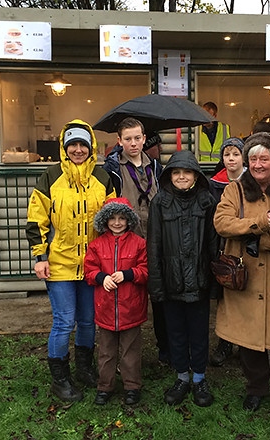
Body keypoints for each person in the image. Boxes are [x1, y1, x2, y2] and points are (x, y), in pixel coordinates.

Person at [213, 132, 270, 413]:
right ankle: (255, 388)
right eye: (252, 158)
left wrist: (257, 237)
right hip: (247, 276)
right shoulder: (234, 190)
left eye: (264, 158)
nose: (257, 164)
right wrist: (259, 223)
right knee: (250, 338)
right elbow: (222, 223)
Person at [27, 119, 116, 403]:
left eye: (83, 145)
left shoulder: (103, 178)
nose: (78, 150)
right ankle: (60, 378)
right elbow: (36, 220)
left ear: (91, 148)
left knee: (88, 322)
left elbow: (113, 219)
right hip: (60, 263)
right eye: (73, 145)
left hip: (92, 265)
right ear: (65, 148)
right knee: (64, 322)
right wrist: (40, 256)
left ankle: (84, 369)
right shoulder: (50, 177)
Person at [147, 149, 220, 407]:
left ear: (196, 175)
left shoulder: (206, 201)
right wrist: (156, 285)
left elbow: (213, 244)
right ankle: (181, 377)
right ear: (169, 176)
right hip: (171, 281)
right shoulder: (160, 202)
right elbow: (153, 245)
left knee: (199, 332)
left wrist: (214, 284)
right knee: (176, 332)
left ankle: (199, 378)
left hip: (199, 280)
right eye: (176, 172)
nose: (181, 177)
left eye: (186, 172)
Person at [103, 118, 169, 364]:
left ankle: (166, 350)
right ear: (119, 141)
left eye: (137, 138)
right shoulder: (111, 170)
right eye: (128, 139)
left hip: (155, 240)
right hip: (127, 241)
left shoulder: (156, 167)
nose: (133, 143)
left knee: (160, 298)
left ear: (144, 139)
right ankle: (125, 357)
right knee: (126, 300)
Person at [84, 197, 148, 407]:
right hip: (106, 309)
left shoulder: (139, 244)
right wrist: (102, 278)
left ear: (129, 220)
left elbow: (146, 270)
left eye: (122, 218)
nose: (117, 223)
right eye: (112, 218)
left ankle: (132, 386)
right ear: (105, 221)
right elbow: (89, 271)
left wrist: (129, 274)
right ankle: (105, 386)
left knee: (131, 352)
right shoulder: (96, 245)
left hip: (131, 308)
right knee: (106, 352)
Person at [208, 137, 246, 367]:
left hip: (245, 245)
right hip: (221, 246)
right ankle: (224, 342)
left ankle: (245, 344)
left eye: (235, 154)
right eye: (227, 155)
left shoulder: (253, 181)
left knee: (245, 295)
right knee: (224, 298)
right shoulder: (214, 184)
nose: (231, 159)